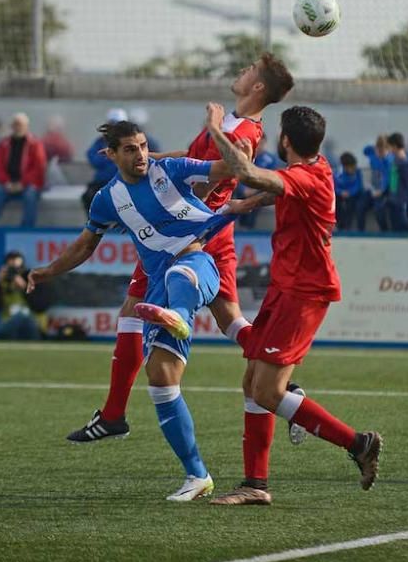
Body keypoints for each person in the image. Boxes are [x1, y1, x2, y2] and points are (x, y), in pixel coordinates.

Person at [64, 53, 302, 445]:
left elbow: (233, 165)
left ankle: (113, 416)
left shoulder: (241, 129)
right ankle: (286, 390)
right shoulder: (230, 122)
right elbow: (193, 162)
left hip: (188, 232)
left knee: (134, 311)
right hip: (203, 229)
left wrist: (187, 202)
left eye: (249, 71)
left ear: (257, 87)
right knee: (229, 320)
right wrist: (156, 160)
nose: (241, 72)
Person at [28, 120, 239, 501]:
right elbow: (84, 246)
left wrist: (215, 131)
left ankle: (180, 316)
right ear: (110, 154)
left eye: (142, 146)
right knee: (160, 379)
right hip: (157, 288)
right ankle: (198, 476)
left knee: (186, 276)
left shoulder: (171, 170)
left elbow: (232, 167)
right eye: (130, 149)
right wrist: (47, 271)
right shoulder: (108, 199)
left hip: (199, 263)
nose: (140, 154)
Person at [206, 103, 382, 505]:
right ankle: (255, 484)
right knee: (252, 382)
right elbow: (277, 188)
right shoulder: (315, 169)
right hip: (287, 288)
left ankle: (358, 443)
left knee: (268, 392)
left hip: (304, 293)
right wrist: (245, 205)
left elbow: (249, 173)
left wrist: (216, 128)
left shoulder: (305, 176)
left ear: (286, 140)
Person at [82, 109, 160, 213]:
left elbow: (153, 159)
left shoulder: (144, 140)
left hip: (131, 181)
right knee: (90, 197)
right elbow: (94, 158)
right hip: (104, 182)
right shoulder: (101, 142)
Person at [0, 113, 47, 228]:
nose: (18, 127)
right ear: (11, 126)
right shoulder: (4, 144)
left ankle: (27, 228)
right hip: (8, 183)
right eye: (15, 125)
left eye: (21, 125)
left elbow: (39, 168)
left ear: (26, 126)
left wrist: (22, 183)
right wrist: (6, 182)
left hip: (28, 184)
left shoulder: (35, 144)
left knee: (30, 196)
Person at [238, 135, 280, 229]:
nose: (259, 146)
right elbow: (237, 175)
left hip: (260, 193)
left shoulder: (270, 160)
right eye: (257, 143)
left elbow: (272, 180)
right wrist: (243, 189)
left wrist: (254, 190)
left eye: (261, 143)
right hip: (242, 193)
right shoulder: (244, 157)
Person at [363, 135, 393, 231]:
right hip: (373, 188)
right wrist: (375, 147)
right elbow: (365, 150)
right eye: (378, 151)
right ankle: (360, 232)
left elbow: (387, 177)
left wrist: (381, 190)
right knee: (360, 205)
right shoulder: (373, 155)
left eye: (382, 151)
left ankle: (385, 231)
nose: (380, 154)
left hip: (384, 190)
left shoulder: (389, 160)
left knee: (378, 208)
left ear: (387, 149)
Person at [334, 152, 368, 231]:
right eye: (350, 167)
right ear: (345, 167)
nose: (353, 169)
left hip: (353, 196)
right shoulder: (338, 173)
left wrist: (350, 192)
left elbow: (358, 186)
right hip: (341, 195)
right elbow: (334, 187)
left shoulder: (357, 172)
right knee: (336, 202)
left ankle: (348, 227)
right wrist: (341, 192)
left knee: (351, 204)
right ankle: (339, 225)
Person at [386, 132, 408, 232]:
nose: (389, 150)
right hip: (393, 198)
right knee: (394, 225)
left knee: (403, 224)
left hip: (401, 200)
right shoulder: (395, 160)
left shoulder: (404, 162)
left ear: (395, 146)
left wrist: (407, 201)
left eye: (390, 147)